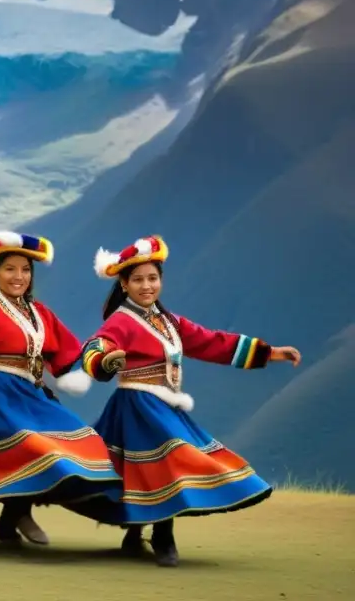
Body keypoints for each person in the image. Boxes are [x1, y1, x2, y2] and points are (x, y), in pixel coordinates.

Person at [78, 235, 302, 567]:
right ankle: (163, 536)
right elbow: (96, 347)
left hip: (163, 406)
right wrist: (106, 360)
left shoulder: (170, 322)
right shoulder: (121, 321)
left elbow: (212, 342)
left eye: (152, 278)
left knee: (147, 469)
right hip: (137, 406)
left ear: (161, 280)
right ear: (124, 284)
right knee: (168, 462)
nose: (146, 285)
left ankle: (136, 534)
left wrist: (269, 353)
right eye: (137, 279)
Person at [0, 230, 122, 547]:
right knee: (32, 448)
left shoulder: (40, 314)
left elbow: (69, 354)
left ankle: (10, 522)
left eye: (25, 269)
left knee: (85, 442)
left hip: (32, 394)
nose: (18, 276)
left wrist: (103, 359)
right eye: (10, 269)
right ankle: (18, 515)